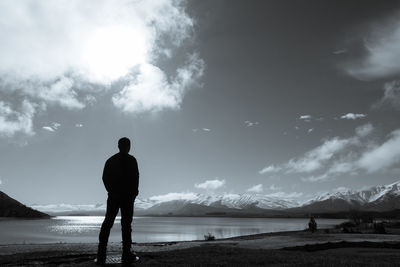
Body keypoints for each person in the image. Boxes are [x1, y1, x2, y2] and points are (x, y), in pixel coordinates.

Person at [96, 137, 139, 265]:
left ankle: (101, 253)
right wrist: (133, 193)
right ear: (127, 146)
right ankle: (126, 253)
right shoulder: (131, 160)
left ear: (118, 146)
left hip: (116, 197)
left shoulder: (111, 160)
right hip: (125, 197)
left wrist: (112, 191)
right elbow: (136, 177)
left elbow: (105, 178)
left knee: (109, 223)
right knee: (125, 225)